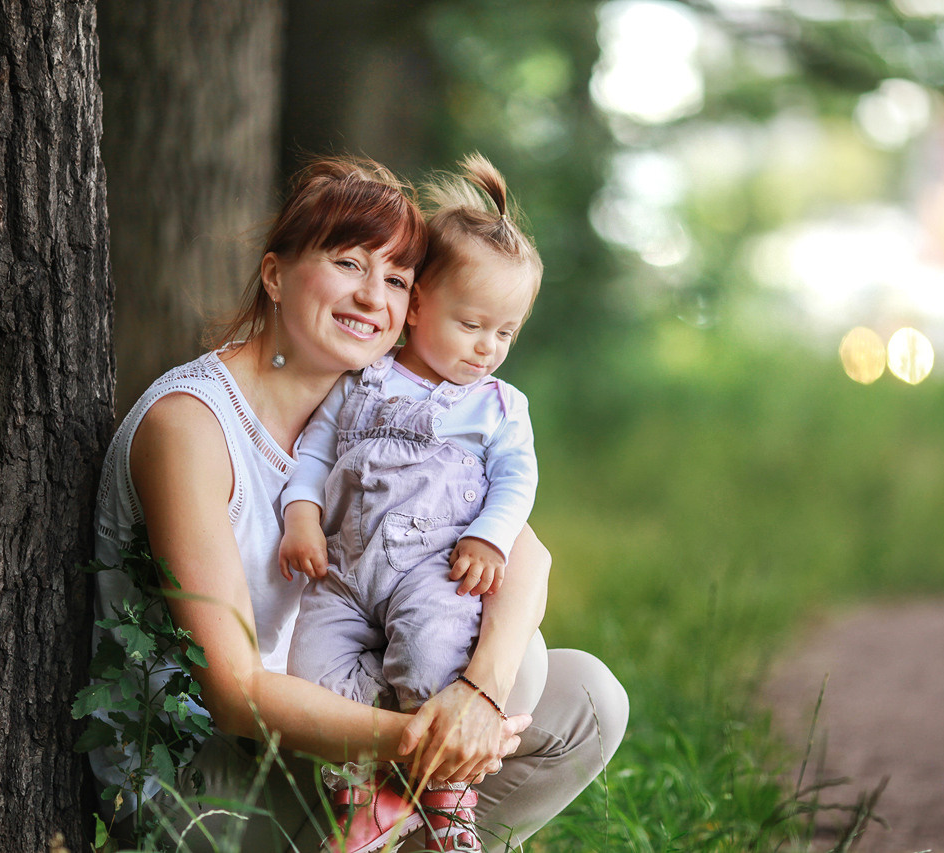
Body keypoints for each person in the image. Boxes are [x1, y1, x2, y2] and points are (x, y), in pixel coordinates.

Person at [88, 155, 628, 852]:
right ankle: (402, 807)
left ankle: (420, 826)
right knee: (488, 680)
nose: (375, 296)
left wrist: (479, 698)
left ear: (416, 306)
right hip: (203, 774)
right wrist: (420, 738)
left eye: (397, 278)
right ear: (276, 273)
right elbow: (233, 689)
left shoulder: (374, 406)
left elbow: (527, 556)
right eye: (349, 263)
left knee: (583, 695)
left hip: (330, 732)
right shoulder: (189, 426)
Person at [276, 155, 543, 851]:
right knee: (313, 666)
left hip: (433, 567)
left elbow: (518, 478)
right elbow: (316, 451)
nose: (488, 348)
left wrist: (489, 536)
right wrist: (302, 512)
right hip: (344, 569)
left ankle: (443, 793)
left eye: (505, 333)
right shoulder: (361, 377)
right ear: (417, 304)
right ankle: (360, 793)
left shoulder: (496, 407)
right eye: (472, 325)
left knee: (431, 653)